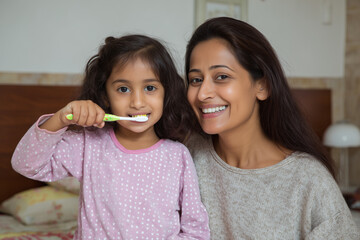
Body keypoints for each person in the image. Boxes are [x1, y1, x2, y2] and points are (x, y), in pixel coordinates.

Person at [11, 35, 210, 239]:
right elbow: (26, 164)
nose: (137, 102)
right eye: (123, 89)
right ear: (105, 96)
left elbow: (195, 230)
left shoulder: (178, 156)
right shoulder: (89, 145)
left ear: (166, 93)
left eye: (150, 88)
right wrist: (61, 118)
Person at [184, 17, 360, 239]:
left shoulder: (309, 180)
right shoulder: (187, 157)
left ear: (262, 86)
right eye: (195, 79)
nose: (202, 93)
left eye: (222, 77)